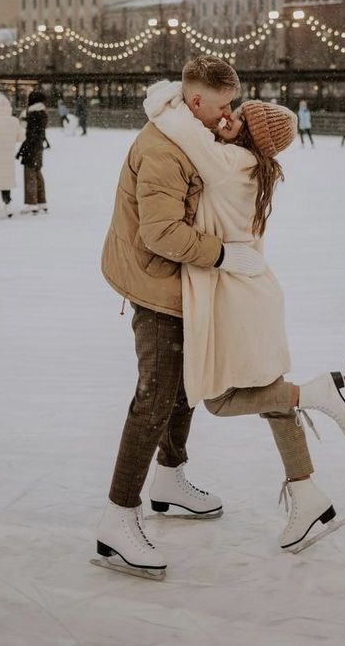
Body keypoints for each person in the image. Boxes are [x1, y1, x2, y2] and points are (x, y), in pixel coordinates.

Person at [143, 81, 345, 559]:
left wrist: (170, 98)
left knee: (220, 399)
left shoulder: (229, 166)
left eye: (241, 115)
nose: (231, 117)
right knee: (270, 396)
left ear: (252, 136)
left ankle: (321, 392)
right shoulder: (249, 166)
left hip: (235, 298)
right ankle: (308, 497)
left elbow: (179, 129)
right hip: (248, 292)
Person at [95, 57, 265, 580]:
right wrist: (222, 255)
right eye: (222, 106)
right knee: (155, 394)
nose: (229, 113)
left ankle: (168, 477)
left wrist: (234, 137)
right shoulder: (165, 149)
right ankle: (117, 520)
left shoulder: (193, 134)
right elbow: (160, 233)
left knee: (184, 386)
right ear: (195, 104)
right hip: (156, 280)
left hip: (182, 279)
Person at [18, 90, 49, 214]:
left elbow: (30, 133)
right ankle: (42, 201)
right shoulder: (42, 113)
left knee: (30, 174)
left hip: (31, 147)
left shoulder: (33, 114)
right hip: (38, 147)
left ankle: (32, 203)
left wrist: (23, 149)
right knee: (37, 173)